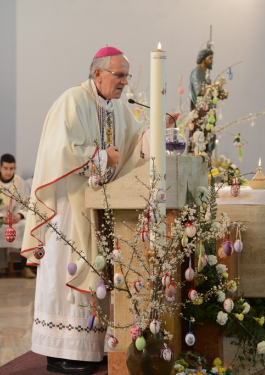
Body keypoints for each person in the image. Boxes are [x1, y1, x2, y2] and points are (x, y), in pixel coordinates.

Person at [21, 47, 150, 374]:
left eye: (126, 76)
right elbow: (61, 150)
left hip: (100, 208)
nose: (124, 82)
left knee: (97, 272)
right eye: (119, 75)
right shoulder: (73, 101)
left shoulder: (119, 110)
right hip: (68, 206)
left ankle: (89, 349)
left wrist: (157, 131)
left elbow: (136, 145)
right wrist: (102, 156)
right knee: (65, 270)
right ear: (98, 74)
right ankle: (61, 351)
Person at [0, 153, 34, 278]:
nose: (8, 172)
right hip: (1, 219)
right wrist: (1, 217)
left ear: (15, 168)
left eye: (11, 168)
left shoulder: (19, 182)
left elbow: (25, 203)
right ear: (0, 168)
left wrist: (19, 215)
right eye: (5, 168)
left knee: (27, 227)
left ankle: (25, 267)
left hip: (15, 219)